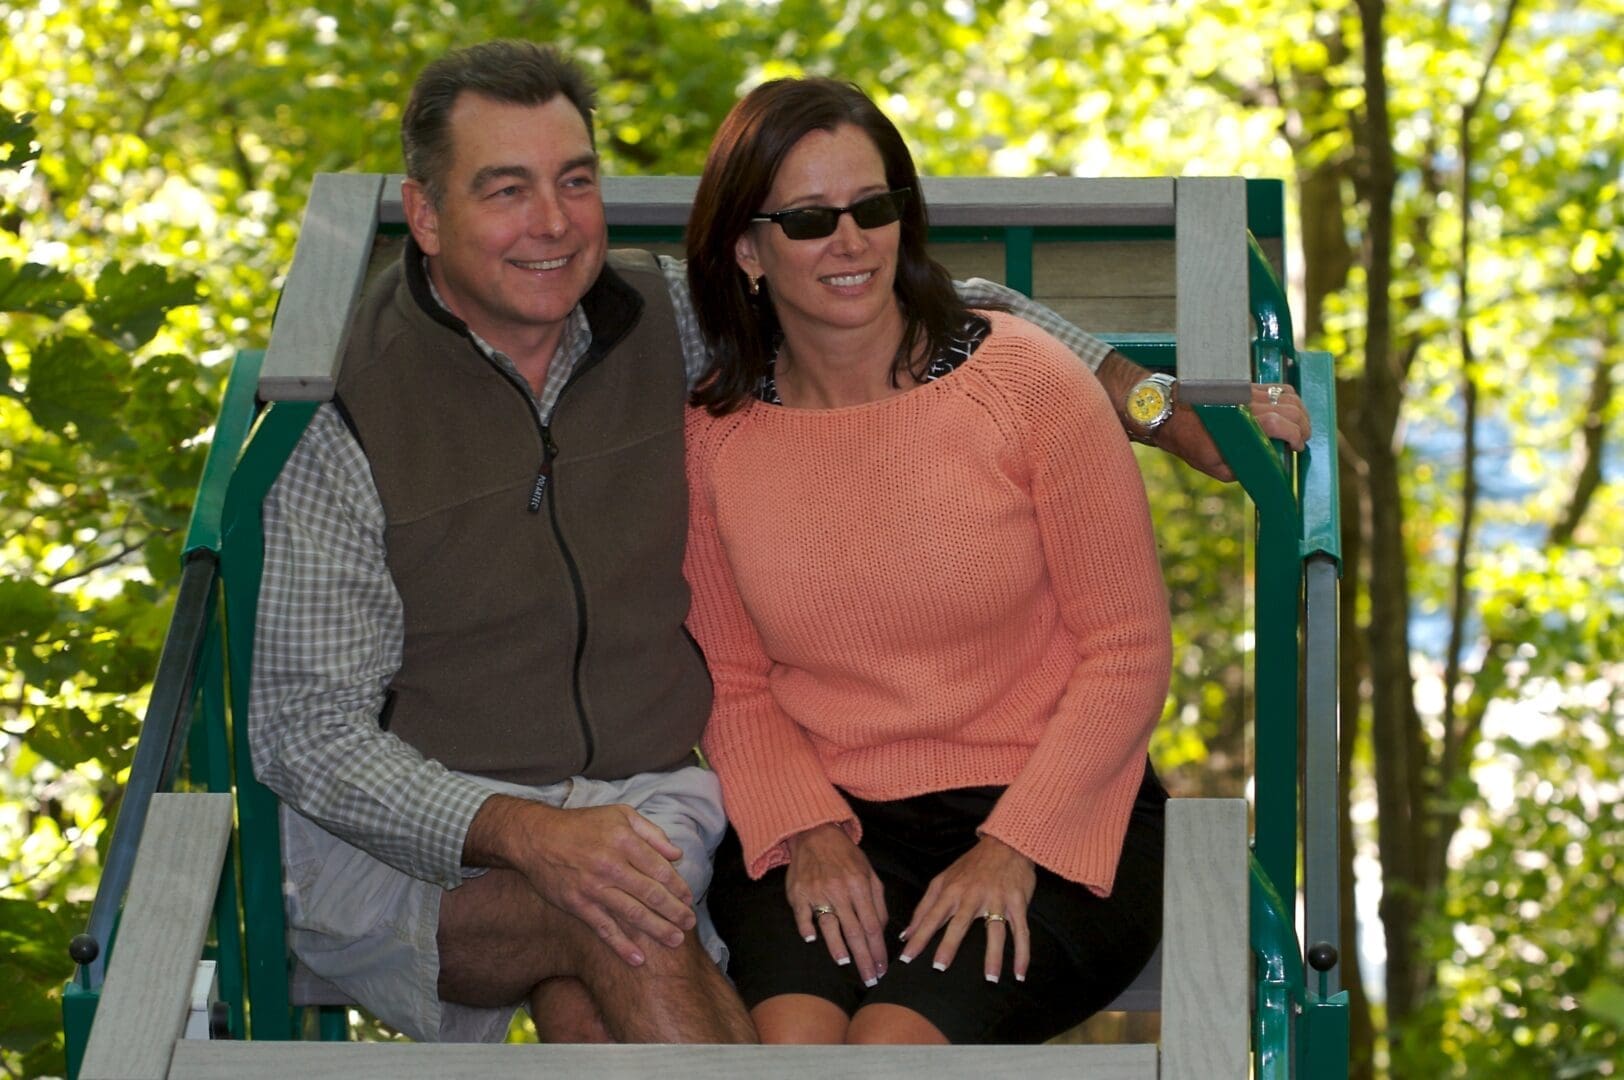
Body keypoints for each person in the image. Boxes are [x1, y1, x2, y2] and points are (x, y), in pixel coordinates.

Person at [249, 41, 1306, 1045]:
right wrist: (536, 832)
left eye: (575, 182)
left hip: (644, 808)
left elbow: (943, 313)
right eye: (505, 188)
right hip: (420, 844)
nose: (553, 225)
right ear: (424, 216)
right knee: (634, 925)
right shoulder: (340, 416)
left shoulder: (649, 321)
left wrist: (1156, 402)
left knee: (596, 995)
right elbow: (303, 734)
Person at [681, 76, 1177, 1045]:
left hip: (1058, 806)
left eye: (874, 208)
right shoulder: (712, 434)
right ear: (746, 248)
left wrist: (1012, 846)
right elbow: (730, 681)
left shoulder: (1027, 381)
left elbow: (1125, 649)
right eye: (811, 218)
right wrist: (811, 832)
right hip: (825, 816)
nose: (850, 240)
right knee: (788, 1048)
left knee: (890, 1052)